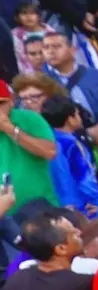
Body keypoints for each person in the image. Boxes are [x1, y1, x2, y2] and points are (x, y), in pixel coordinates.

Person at [43, 94, 98, 218]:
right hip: (83, 207)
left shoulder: (46, 142)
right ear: (70, 119)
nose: (80, 117)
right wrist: (96, 200)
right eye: (76, 114)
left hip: (59, 207)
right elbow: (84, 177)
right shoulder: (71, 145)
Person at [0, 79, 57, 207]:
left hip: (40, 206)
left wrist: (9, 128)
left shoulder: (29, 118)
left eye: (1, 103)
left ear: (11, 101)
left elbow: (49, 152)